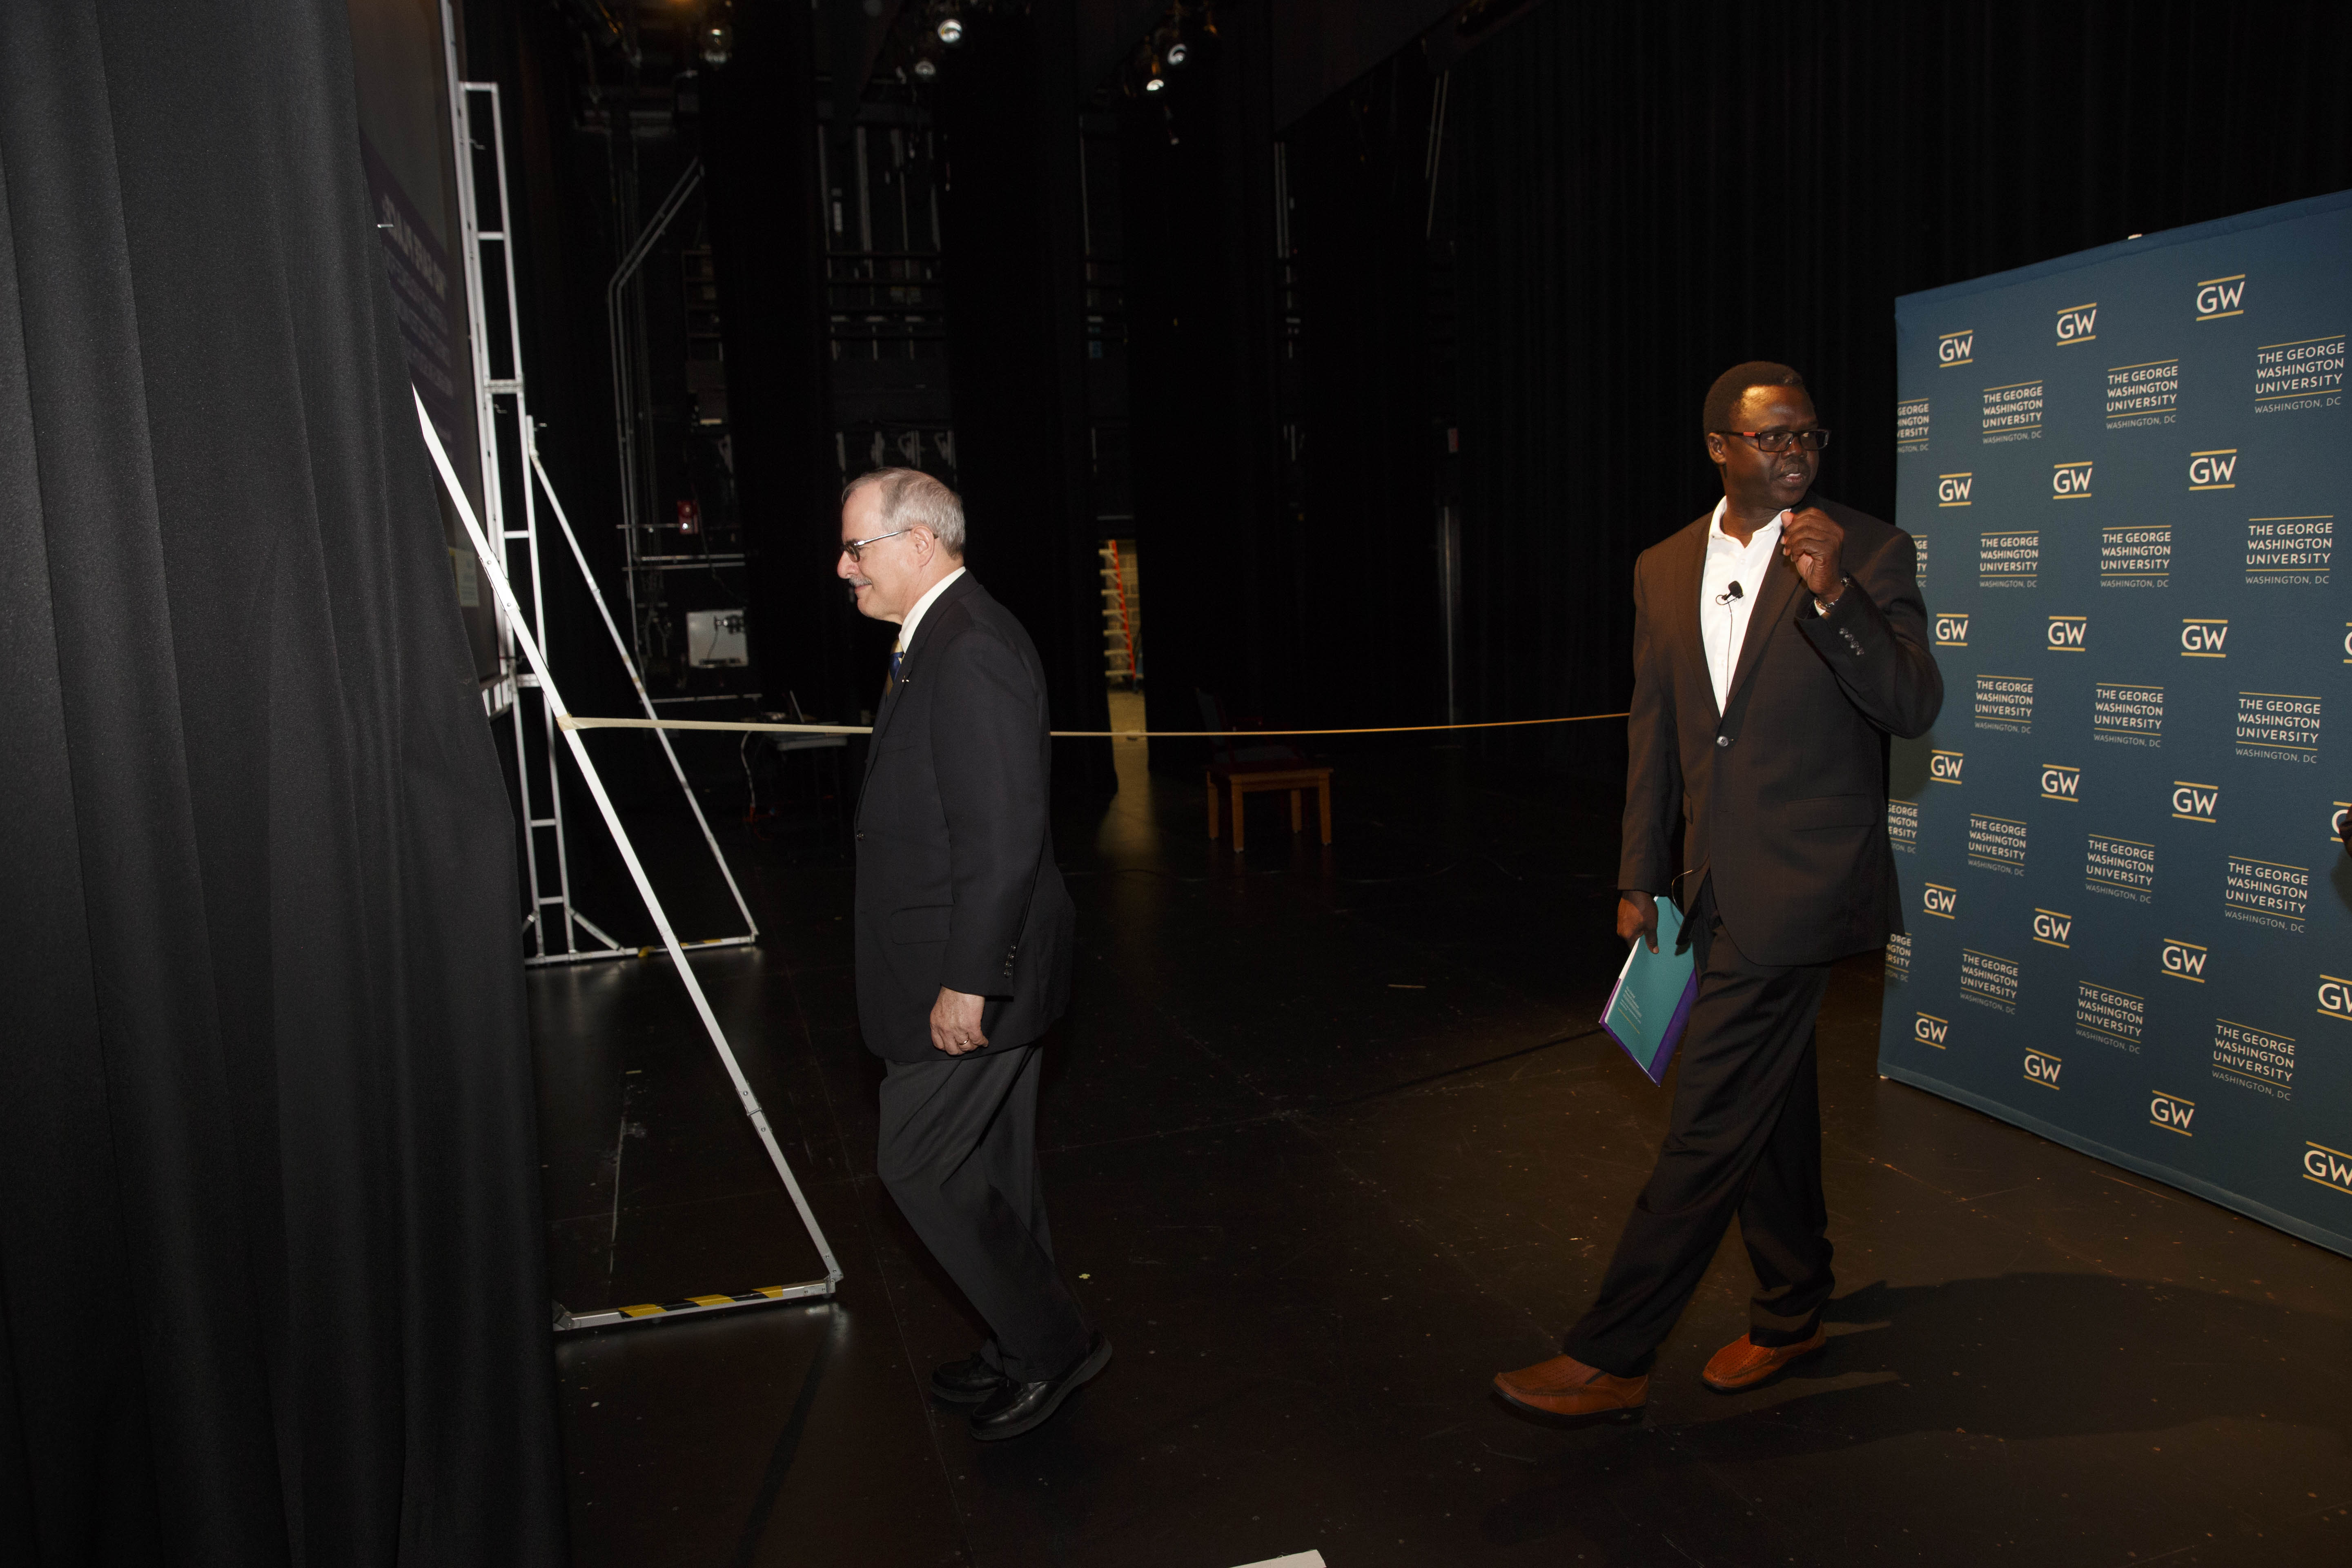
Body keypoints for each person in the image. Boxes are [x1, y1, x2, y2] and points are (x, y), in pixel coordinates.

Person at [1494, 363, 1942, 1421]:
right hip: (1706, 887)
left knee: (1708, 1121)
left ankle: (1615, 1353)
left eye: (1809, 437)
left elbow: (1913, 704)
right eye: (1771, 437)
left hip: (1804, 884)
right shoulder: (1660, 567)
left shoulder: (1867, 549)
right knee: (1768, 1105)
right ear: (1719, 448)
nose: (1796, 453)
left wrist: (1834, 595)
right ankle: (1793, 1309)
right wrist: (1639, 877)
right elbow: (1657, 730)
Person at [835, 468, 1108, 1440]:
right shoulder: (940, 639)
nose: (843, 569)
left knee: (916, 1166)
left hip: (973, 973)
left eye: (857, 549)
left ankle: (1053, 1343)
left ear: (919, 544)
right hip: (973, 962)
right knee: (992, 1173)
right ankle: (1017, 1343)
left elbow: (1003, 838)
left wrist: (967, 981)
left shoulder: (974, 646)